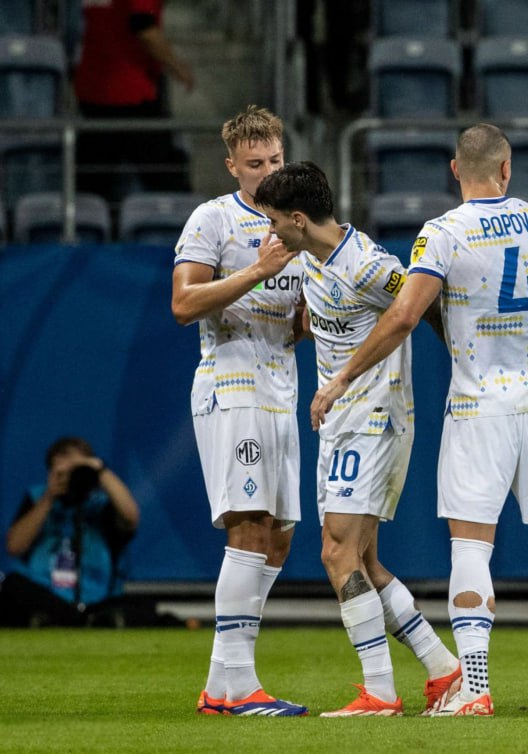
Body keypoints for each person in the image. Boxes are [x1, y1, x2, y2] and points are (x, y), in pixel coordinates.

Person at [311, 123, 528, 717]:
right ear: (507, 170)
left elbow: (405, 316)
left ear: (456, 171)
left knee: (471, 546)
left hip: (480, 404)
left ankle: (476, 687)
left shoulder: (443, 234)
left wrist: (343, 376)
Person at [253, 162, 461, 718]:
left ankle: (380, 693)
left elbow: (415, 306)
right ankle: (443, 670)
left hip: (374, 417)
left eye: (275, 222)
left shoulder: (367, 264)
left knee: (336, 551)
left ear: (299, 219)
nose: (270, 232)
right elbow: (320, 323)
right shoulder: (312, 260)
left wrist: (344, 379)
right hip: (342, 420)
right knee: (364, 562)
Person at [172, 105, 307, 717]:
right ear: (233, 166)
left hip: (281, 385)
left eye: (275, 160)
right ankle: (241, 685)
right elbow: (183, 302)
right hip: (231, 381)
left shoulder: (300, 225)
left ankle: (221, 685)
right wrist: (258, 270)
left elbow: (297, 322)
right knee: (248, 526)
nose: (268, 171)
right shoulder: (214, 218)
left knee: (278, 538)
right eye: (255, 164)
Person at [1, 437, 139, 627]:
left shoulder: (101, 503)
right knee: (12, 586)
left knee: (141, 607)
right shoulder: (38, 497)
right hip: (46, 595)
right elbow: (14, 546)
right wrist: (49, 496)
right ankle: (78, 621)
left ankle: (79, 620)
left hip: (96, 599)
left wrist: (98, 469)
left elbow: (131, 517)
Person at [74, 0, 195, 204]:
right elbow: (143, 25)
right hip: (130, 92)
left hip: (93, 89)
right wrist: (178, 67)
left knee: (94, 181)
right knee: (166, 176)